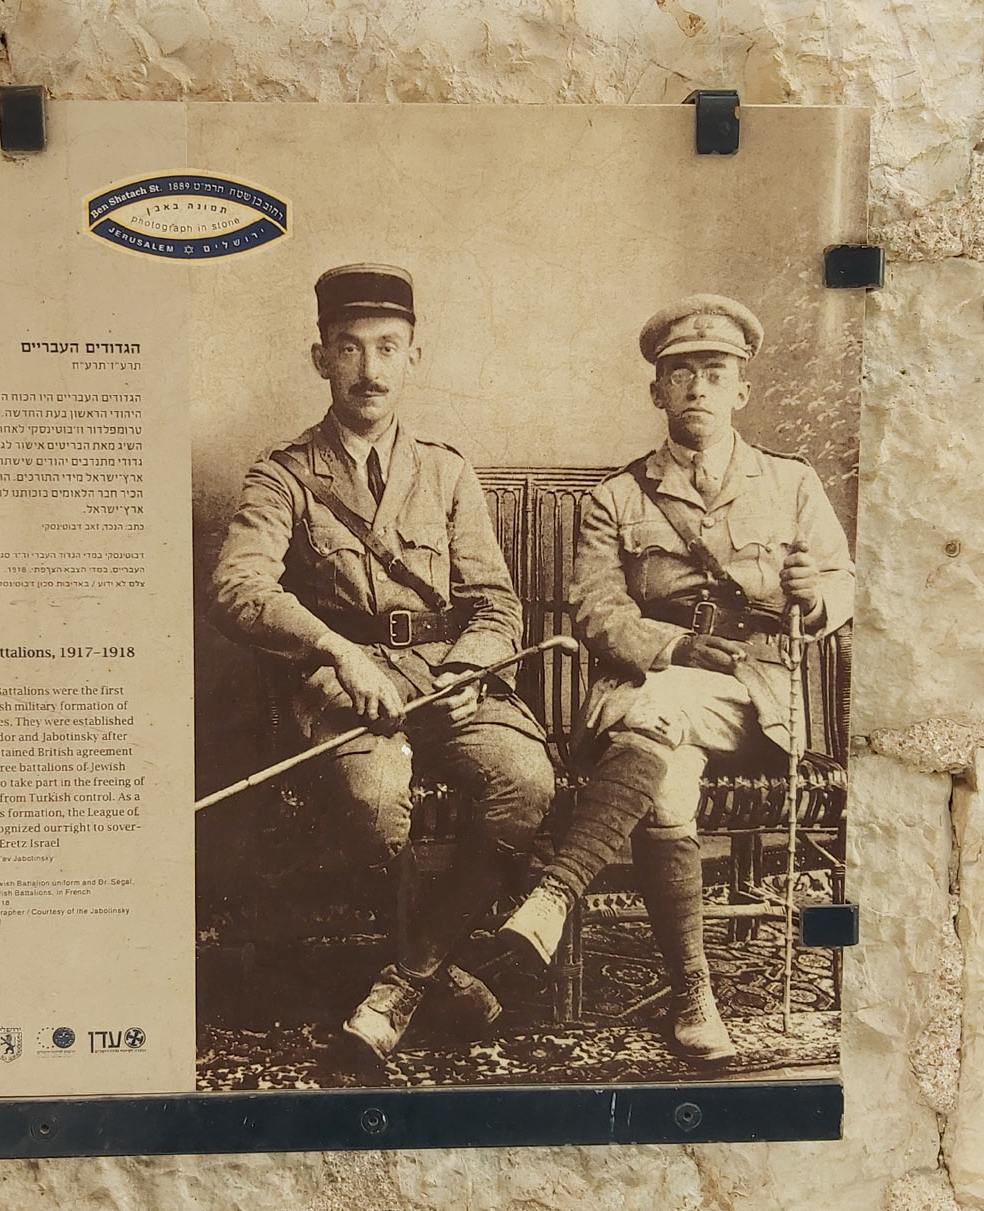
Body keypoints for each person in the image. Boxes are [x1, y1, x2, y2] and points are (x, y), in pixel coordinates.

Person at [209, 264, 555, 1063]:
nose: (370, 369)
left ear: (413, 358)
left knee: (526, 780)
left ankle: (407, 976)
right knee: (372, 805)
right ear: (320, 358)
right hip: (344, 683)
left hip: (450, 676)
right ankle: (447, 972)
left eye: (388, 348)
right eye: (350, 348)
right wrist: (337, 651)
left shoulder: (446, 470)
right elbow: (236, 588)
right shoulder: (285, 474)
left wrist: (465, 672)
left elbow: (498, 602)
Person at [498, 294, 854, 1061]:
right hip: (648, 687)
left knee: (659, 715)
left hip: (761, 700)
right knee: (667, 779)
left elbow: (847, 586)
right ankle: (695, 993)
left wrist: (814, 594)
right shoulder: (616, 498)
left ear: (740, 390)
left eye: (714, 372)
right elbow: (596, 613)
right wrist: (678, 649)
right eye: (679, 373)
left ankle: (556, 891)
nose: (697, 387)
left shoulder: (791, 484)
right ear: (655, 391)